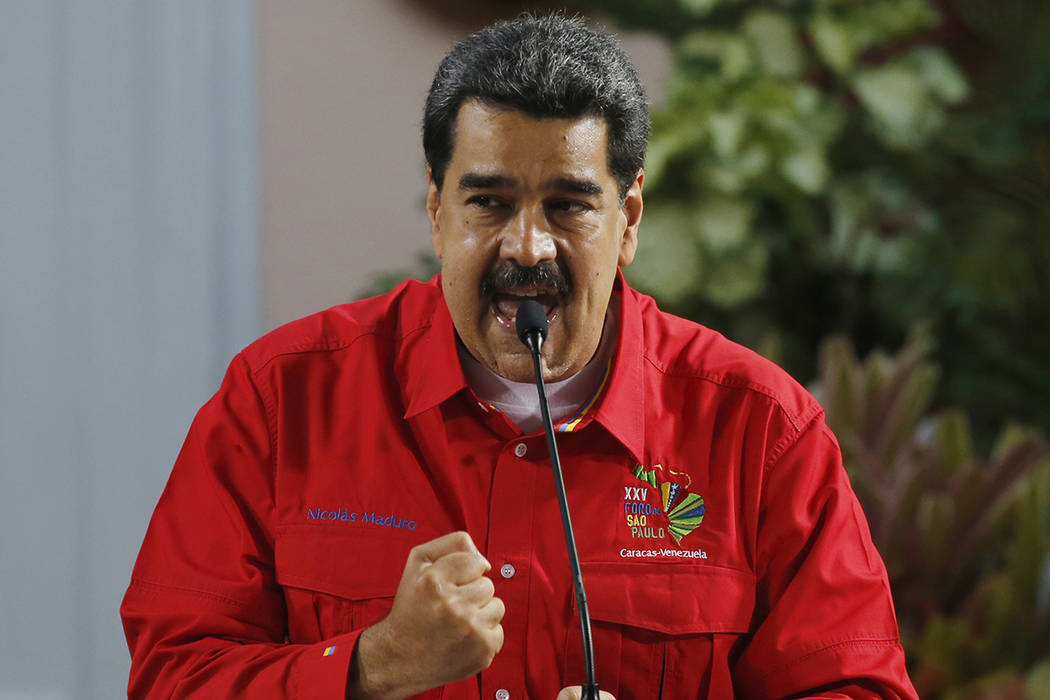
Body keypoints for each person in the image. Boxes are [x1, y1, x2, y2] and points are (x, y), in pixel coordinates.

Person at [121, 13, 918, 700]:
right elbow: (171, 677)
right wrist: (372, 666)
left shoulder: (758, 429)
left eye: (568, 205)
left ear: (629, 219)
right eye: (489, 202)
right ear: (437, 210)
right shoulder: (281, 399)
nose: (527, 246)